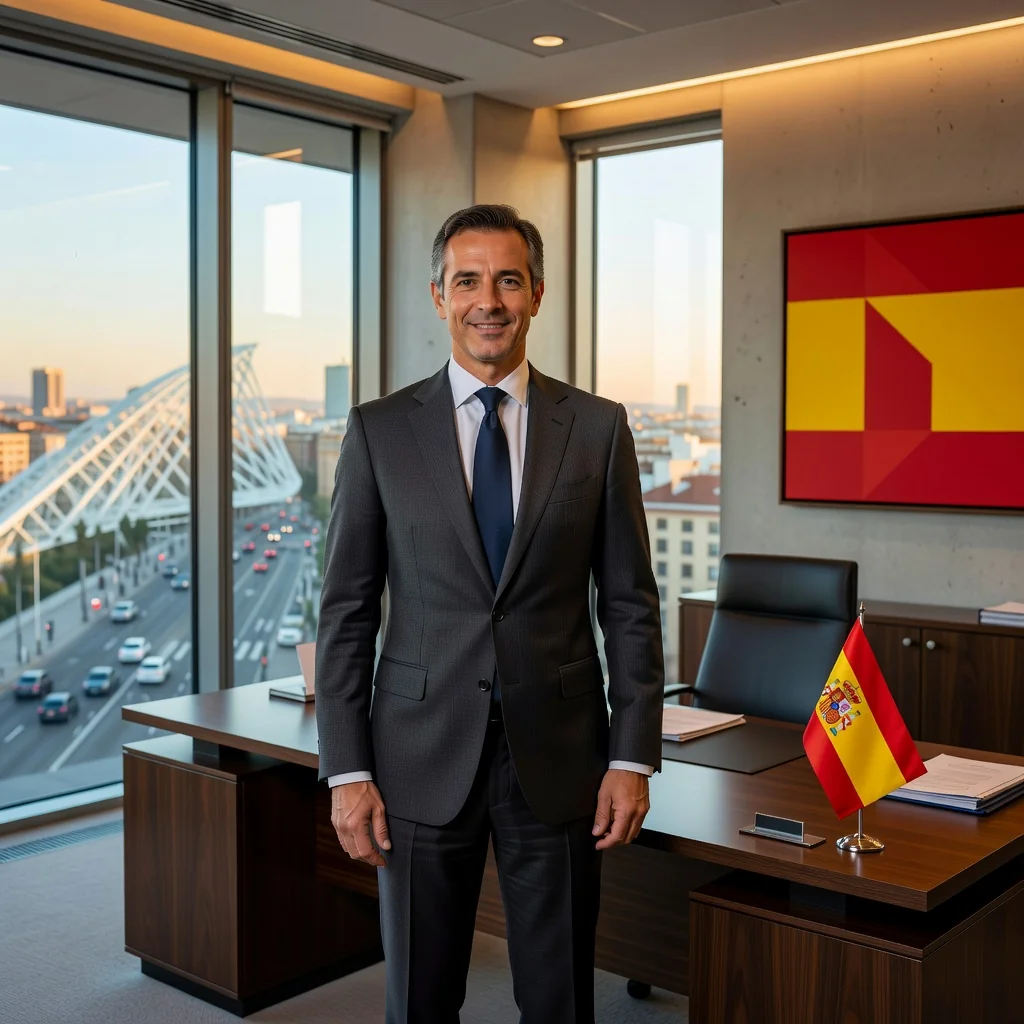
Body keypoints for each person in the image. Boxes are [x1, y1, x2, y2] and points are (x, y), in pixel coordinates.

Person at [316, 204, 664, 1023]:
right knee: (422, 999)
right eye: (467, 280)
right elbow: (346, 610)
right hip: (416, 758)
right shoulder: (378, 432)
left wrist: (632, 757)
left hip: (562, 759)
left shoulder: (599, 429)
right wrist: (348, 770)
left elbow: (630, 606)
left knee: (560, 997)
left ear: (537, 294)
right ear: (438, 295)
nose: (489, 300)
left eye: (508, 279)